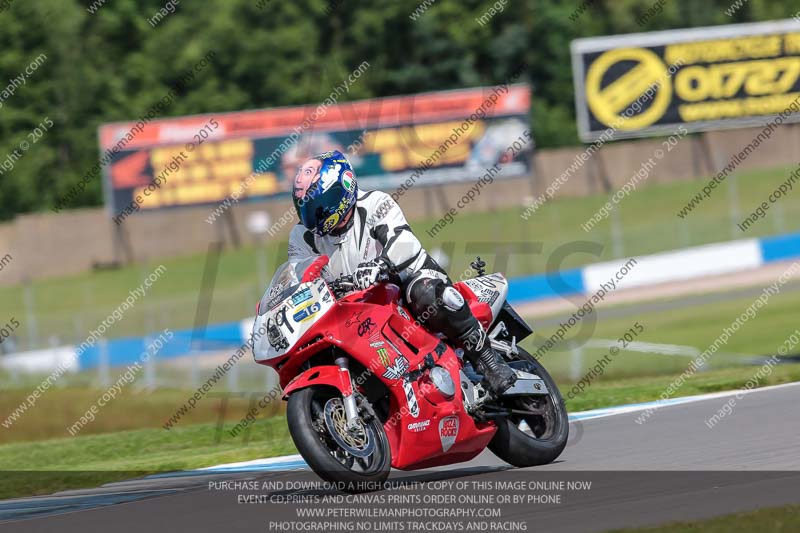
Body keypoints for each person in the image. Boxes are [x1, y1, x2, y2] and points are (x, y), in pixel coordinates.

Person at [288, 150, 516, 395]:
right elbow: (297, 275)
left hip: (405, 282)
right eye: (307, 208)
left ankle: (489, 361)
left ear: (342, 189)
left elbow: (404, 242)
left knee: (425, 293)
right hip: (358, 309)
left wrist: (381, 265)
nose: (314, 215)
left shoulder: (375, 203)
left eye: (320, 205)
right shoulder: (302, 236)